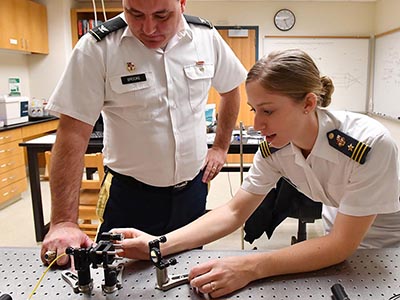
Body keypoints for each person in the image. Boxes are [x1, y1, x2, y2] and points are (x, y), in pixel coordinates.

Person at [111, 49, 400, 298]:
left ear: (309, 104)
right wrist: (157, 245)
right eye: (253, 110)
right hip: (336, 233)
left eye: (268, 111)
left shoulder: (368, 144)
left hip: (387, 245)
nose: (257, 123)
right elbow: (235, 212)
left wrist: (250, 266)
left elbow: (341, 245)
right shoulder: (276, 148)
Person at [40, 0, 247, 266]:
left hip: (192, 192)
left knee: (187, 272)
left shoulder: (206, 37)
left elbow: (231, 89)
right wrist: (63, 222)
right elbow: (72, 135)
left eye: (162, 15)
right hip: (130, 196)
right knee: (119, 279)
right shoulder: (98, 48)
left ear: (182, 3)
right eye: (135, 14)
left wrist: (220, 147)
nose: (148, 28)